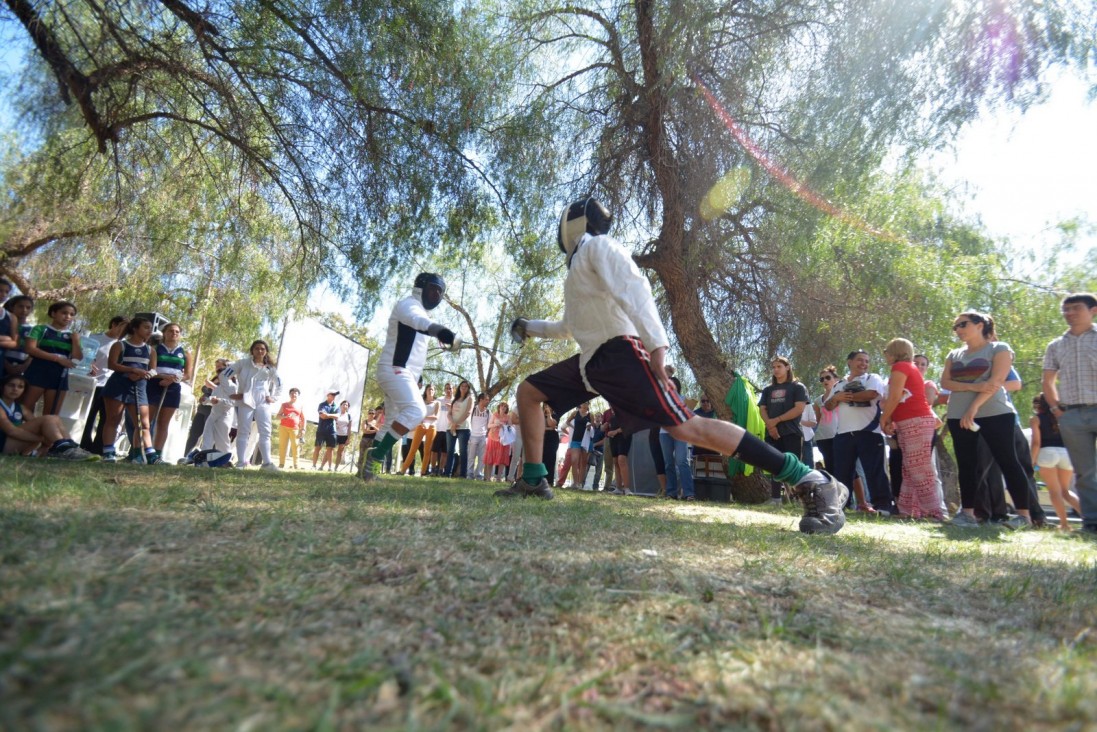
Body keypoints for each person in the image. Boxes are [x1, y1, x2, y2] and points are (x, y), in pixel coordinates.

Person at [504, 197, 848, 533]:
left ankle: (811, 478)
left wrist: (656, 345)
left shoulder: (597, 246)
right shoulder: (579, 271)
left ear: (573, 222)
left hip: (620, 352)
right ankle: (534, 479)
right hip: (592, 362)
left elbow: (633, 287)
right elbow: (568, 327)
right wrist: (528, 326)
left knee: (687, 428)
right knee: (529, 391)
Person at [361, 273, 460, 481]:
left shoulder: (422, 312)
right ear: (421, 287)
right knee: (416, 410)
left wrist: (444, 339)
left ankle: (368, 472)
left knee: (390, 423)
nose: (437, 295)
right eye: (433, 290)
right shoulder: (409, 305)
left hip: (403, 374)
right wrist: (441, 331)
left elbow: (419, 342)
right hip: (394, 369)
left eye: (440, 293)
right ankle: (375, 458)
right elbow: (418, 321)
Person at [941, 311, 1032, 528]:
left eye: (963, 324)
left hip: (996, 413)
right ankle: (967, 514)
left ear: (980, 324)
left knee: (1007, 460)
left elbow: (997, 381)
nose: (958, 330)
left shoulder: (999, 349)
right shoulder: (954, 355)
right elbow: (946, 382)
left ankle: (1023, 516)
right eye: (955, 327)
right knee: (967, 464)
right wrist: (973, 387)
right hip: (957, 414)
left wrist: (973, 407)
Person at [1041, 293, 1097, 536]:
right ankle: (1092, 523)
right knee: (1084, 473)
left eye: (1076, 308)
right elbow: (1048, 381)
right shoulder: (1056, 345)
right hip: (1071, 416)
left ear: (1093, 310)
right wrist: (1056, 409)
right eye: (1066, 309)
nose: (1070, 313)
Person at [879, 338, 943, 520]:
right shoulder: (907, 367)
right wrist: (891, 419)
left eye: (888, 351)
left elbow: (895, 396)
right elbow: (897, 399)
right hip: (910, 422)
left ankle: (933, 511)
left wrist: (883, 419)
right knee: (910, 467)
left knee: (919, 467)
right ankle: (908, 510)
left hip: (915, 421)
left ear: (895, 352)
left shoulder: (901, 367)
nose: (885, 355)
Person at [825, 350, 895, 515]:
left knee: (875, 471)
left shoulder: (873, 378)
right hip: (843, 434)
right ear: (849, 362)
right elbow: (828, 405)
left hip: (869, 432)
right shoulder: (838, 384)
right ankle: (841, 506)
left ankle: (883, 506)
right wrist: (836, 398)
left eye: (866, 361)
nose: (864, 364)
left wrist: (844, 397)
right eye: (860, 360)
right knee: (842, 472)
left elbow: (871, 394)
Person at [100, 317, 159, 463]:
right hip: (118, 385)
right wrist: (132, 370)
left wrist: (144, 375)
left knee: (143, 423)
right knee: (113, 419)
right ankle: (108, 452)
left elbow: (153, 371)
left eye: (150, 328)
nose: (149, 331)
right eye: (146, 327)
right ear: (135, 328)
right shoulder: (120, 345)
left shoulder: (150, 350)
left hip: (139, 387)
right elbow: (112, 364)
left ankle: (145, 454)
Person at [0, 374, 98, 460]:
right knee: (47, 419)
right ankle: (63, 447)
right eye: (11, 385)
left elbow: (42, 426)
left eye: (20, 387)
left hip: (14, 443)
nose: (15, 389)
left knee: (54, 418)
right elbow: (11, 431)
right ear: (2, 387)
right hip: (4, 443)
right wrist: (42, 439)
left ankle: (71, 447)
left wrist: (47, 436)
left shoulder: (20, 407)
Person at [223, 340, 282, 471]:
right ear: (252, 350)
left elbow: (279, 384)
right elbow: (223, 375)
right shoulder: (242, 363)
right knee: (243, 431)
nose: (260, 351)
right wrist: (233, 393)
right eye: (257, 348)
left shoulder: (270, 368)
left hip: (263, 403)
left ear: (266, 351)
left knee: (265, 432)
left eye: (262, 349)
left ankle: (267, 463)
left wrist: (273, 397)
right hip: (245, 401)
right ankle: (241, 462)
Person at [758, 356, 808, 503]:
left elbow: (799, 408)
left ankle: (800, 499)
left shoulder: (798, 387)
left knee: (794, 466)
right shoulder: (768, 389)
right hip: (772, 433)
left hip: (791, 432)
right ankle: (775, 498)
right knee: (774, 465)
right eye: (773, 367)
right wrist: (770, 425)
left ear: (787, 367)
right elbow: (762, 409)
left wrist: (777, 420)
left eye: (779, 366)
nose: (776, 370)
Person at [22, 301, 83, 416]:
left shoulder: (73, 336)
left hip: (59, 376)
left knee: (51, 415)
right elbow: (30, 349)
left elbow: (77, 359)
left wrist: (76, 341)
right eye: (64, 313)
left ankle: (42, 434)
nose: (68, 317)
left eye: (72, 314)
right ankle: (22, 433)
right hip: (37, 372)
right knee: (24, 409)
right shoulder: (40, 329)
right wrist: (58, 359)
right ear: (53, 313)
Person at [1030, 393, 1080, 531]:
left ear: (1038, 405)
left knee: (1054, 491)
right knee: (1066, 491)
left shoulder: (1035, 419)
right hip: (1066, 454)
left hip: (1047, 454)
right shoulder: (1064, 418)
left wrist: (1031, 462)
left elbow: (1036, 443)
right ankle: (1090, 518)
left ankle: (1064, 524)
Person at [78, 315, 128, 453]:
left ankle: (99, 447)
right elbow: (82, 356)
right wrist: (88, 363)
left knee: (107, 418)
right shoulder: (95, 338)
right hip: (92, 383)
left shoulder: (124, 345)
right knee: (89, 415)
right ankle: (83, 444)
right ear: (113, 324)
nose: (123, 331)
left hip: (112, 385)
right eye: (122, 327)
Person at [147, 323, 193, 455]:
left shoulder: (185, 353)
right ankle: (141, 451)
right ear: (165, 333)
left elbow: (187, 375)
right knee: (147, 421)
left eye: (177, 332)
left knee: (163, 423)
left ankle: (157, 453)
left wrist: (172, 380)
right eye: (171, 331)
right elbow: (152, 369)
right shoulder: (155, 349)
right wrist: (162, 377)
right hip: (155, 384)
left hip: (173, 388)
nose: (174, 333)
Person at [184, 359, 228, 456]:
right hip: (202, 409)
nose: (218, 368)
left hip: (213, 411)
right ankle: (186, 456)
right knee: (194, 434)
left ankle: (209, 458)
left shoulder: (228, 379)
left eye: (220, 366)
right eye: (216, 366)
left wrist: (212, 386)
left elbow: (226, 394)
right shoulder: (215, 377)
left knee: (209, 436)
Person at [399, 385, 438, 475]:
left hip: (431, 427)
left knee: (427, 451)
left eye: (432, 389)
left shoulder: (437, 403)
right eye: (429, 389)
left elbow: (436, 417)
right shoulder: (421, 402)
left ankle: (423, 471)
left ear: (434, 391)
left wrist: (423, 417)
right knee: (412, 449)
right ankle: (403, 470)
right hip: (420, 426)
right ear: (426, 391)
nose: (430, 391)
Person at [814, 366, 840, 473]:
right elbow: (817, 420)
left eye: (828, 377)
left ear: (835, 379)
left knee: (843, 467)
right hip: (823, 437)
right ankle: (835, 490)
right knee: (830, 467)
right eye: (822, 379)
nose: (825, 380)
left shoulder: (840, 395)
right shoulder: (818, 400)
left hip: (839, 435)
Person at [446, 380, 473, 477]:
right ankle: (447, 473)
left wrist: (456, 423)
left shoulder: (470, 399)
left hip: (463, 428)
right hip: (451, 428)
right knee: (450, 451)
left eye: (466, 386)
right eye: (462, 386)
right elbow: (449, 413)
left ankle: (463, 475)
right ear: (459, 387)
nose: (464, 388)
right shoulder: (455, 399)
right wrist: (453, 423)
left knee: (463, 451)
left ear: (468, 388)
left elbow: (468, 413)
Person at [427, 382, 453, 476]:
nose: (448, 390)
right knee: (433, 451)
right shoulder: (439, 400)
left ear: (453, 389)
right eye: (446, 388)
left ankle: (440, 470)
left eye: (450, 388)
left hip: (448, 430)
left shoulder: (455, 401)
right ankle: (433, 469)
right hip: (437, 429)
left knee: (445, 452)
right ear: (444, 390)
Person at [276, 387, 305, 469]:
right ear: (289, 395)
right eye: (292, 393)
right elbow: (278, 416)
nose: (294, 395)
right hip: (283, 427)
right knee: (282, 445)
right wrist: (284, 416)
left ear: (298, 395)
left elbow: (303, 418)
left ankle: (296, 465)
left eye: (295, 393)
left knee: (296, 446)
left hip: (295, 428)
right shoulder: (284, 405)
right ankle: (281, 464)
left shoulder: (300, 406)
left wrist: (303, 429)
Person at [485, 401, 512, 482]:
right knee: (490, 458)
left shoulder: (508, 417)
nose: (503, 408)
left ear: (507, 408)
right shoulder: (494, 415)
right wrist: (496, 424)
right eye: (501, 406)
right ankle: (488, 477)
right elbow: (488, 425)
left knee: (502, 459)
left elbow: (510, 428)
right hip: (492, 438)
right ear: (499, 407)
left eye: (505, 406)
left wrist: (505, 426)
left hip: (503, 440)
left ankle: (498, 478)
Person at [313, 389, 340, 470]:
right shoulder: (322, 405)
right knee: (318, 447)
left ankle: (329, 467)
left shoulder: (336, 406)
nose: (334, 396)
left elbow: (337, 416)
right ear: (328, 395)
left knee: (330, 449)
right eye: (332, 394)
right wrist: (332, 415)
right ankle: (314, 466)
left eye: (335, 395)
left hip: (332, 430)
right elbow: (322, 416)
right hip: (321, 429)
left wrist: (327, 414)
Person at [334, 400, 354, 470]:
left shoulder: (349, 416)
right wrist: (335, 425)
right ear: (341, 405)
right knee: (330, 449)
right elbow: (332, 423)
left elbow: (349, 428)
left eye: (347, 405)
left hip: (344, 436)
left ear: (348, 407)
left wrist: (348, 439)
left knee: (339, 452)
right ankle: (324, 466)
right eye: (344, 404)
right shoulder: (336, 414)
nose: (345, 406)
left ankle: (335, 468)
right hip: (335, 434)